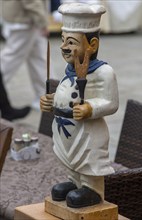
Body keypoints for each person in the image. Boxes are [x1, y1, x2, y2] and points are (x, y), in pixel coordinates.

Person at [40, 3, 119, 208]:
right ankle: (75, 182)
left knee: (88, 159)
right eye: (63, 40)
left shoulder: (104, 73)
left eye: (71, 42)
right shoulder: (70, 70)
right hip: (67, 131)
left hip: (88, 134)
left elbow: (111, 102)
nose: (64, 46)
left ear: (92, 44)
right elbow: (65, 92)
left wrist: (90, 108)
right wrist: (52, 102)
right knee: (71, 159)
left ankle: (92, 189)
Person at [1, 0, 50, 111]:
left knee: (39, 59)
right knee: (9, 60)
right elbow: (31, 1)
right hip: (25, 19)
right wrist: (42, 22)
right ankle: (46, 96)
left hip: (24, 18)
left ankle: (46, 97)